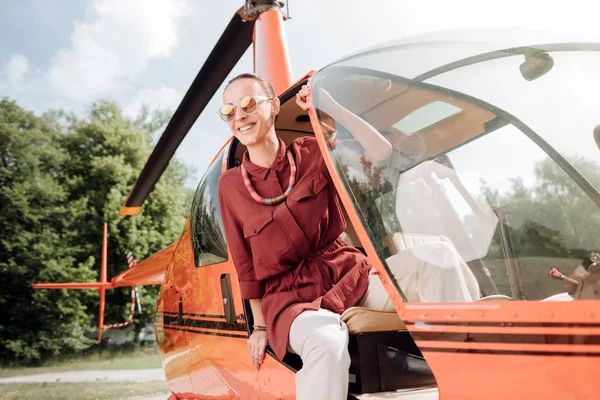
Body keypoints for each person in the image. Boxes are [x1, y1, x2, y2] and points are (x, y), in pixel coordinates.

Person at [216, 73, 478, 400]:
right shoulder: (230, 186)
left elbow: (379, 150)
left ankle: (462, 381)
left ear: (272, 107)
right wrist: (258, 328)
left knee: (439, 256)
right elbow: (245, 265)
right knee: (326, 341)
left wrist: (328, 105)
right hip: (290, 300)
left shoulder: (313, 152)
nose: (238, 115)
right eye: (228, 111)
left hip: (349, 275)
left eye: (247, 103)